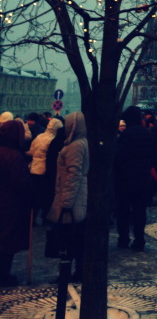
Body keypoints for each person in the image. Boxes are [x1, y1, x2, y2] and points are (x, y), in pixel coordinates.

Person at [47, 111, 89, 282]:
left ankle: (68, 273)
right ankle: (75, 271)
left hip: (72, 199)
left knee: (69, 238)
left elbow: (73, 175)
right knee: (74, 238)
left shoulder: (76, 146)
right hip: (73, 196)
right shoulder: (78, 143)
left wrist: (66, 202)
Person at [114, 106, 155, 251]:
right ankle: (139, 239)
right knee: (140, 211)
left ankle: (124, 238)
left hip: (126, 178)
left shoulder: (126, 135)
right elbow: (153, 155)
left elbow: (119, 156)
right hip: (143, 177)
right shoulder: (147, 133)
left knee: (123, 210)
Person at [0, 120, 33, 287]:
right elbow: (21, 183)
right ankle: (3, 275)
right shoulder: (13, 156)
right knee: (6, 242)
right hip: (8, 205)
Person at [26, 117, 64, 224]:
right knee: (46, 197)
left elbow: (31, 151)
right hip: (45, 171)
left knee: (35, 196)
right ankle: (45, 218)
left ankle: (32, 219)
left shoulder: (39, 137)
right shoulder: (54, 140)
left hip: (34, 169)